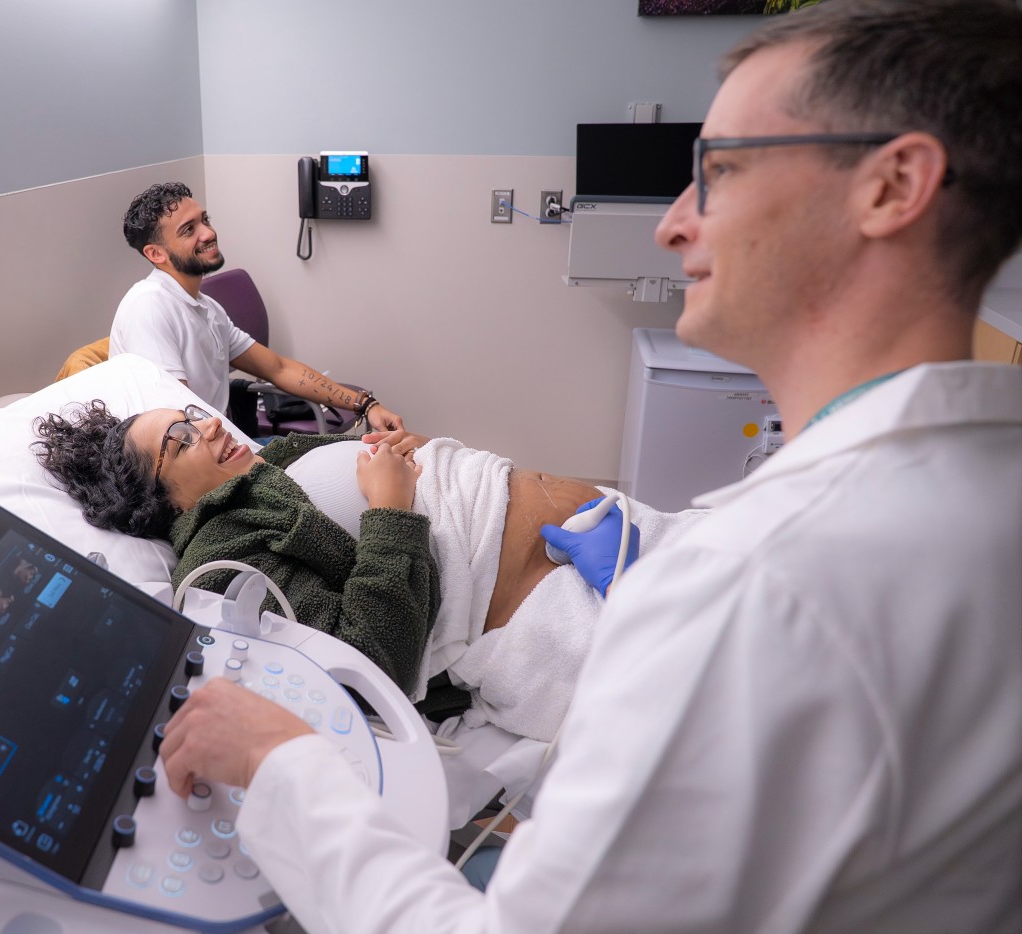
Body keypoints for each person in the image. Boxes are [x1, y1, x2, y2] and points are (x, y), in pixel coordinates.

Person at [153, 2, 1022, 931]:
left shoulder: (754, 591)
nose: (672, 224)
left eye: (718, 172)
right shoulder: (964, 484)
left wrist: (285, 769)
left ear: (892, 187)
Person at [33, 402, 689, 740]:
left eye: (192, 418)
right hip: (552, 609)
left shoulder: (263, 462)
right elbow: (371, 658)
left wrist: (395, 449)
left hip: (607, 536)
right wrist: (393, 510)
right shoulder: (221, 557)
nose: (205, 429)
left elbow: (371, 459)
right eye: (178, 443)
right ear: (162, 499)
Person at [110, 182, 405, 433]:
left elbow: (278, 368)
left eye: (205, 220)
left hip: (224, 448)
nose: (208, 233)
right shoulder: (149, 307)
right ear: (155, 253)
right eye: (189, 230)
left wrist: (366, 405)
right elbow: (177, 425)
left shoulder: (207, 308)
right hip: (197, 467)